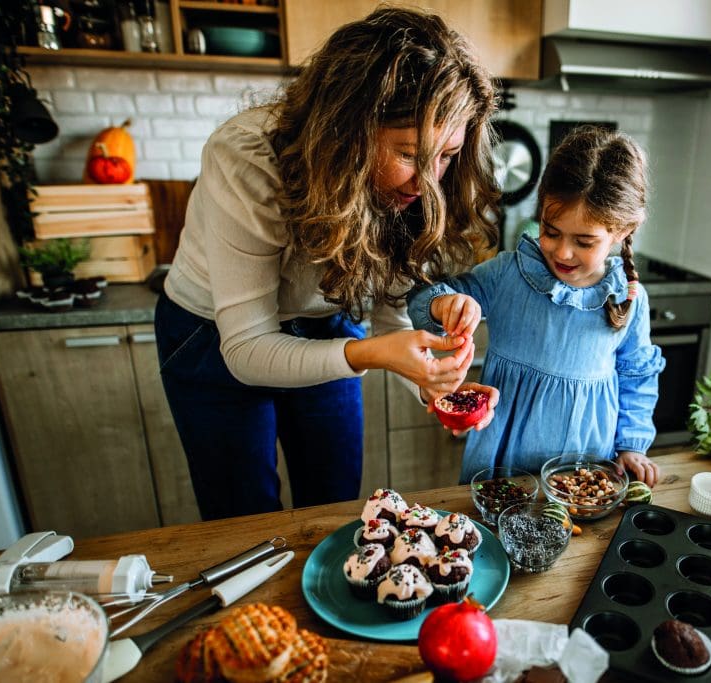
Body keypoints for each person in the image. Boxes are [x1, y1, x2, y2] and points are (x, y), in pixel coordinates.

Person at [155, 7, 501, 520]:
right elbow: (247, 348)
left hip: (325, 325)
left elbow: (392, 323)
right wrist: (376, 353)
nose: (427, 181)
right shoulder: (248, 156)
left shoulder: (417, 189)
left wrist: (434, 385)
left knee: (334, 508)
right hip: (212, 335)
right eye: (409, 154)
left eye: (446, 156)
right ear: (350, 131)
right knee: (243, 518)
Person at [408, 125, 665, 486]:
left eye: (585, 241)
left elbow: (637, 376)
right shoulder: (508, 273)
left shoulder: (629, 297)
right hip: (500, 466)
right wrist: (444, 304)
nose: (562, 252)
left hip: (583, 468)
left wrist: (632, 445)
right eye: (552, 231)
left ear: (622, 231)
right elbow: (421, 302)